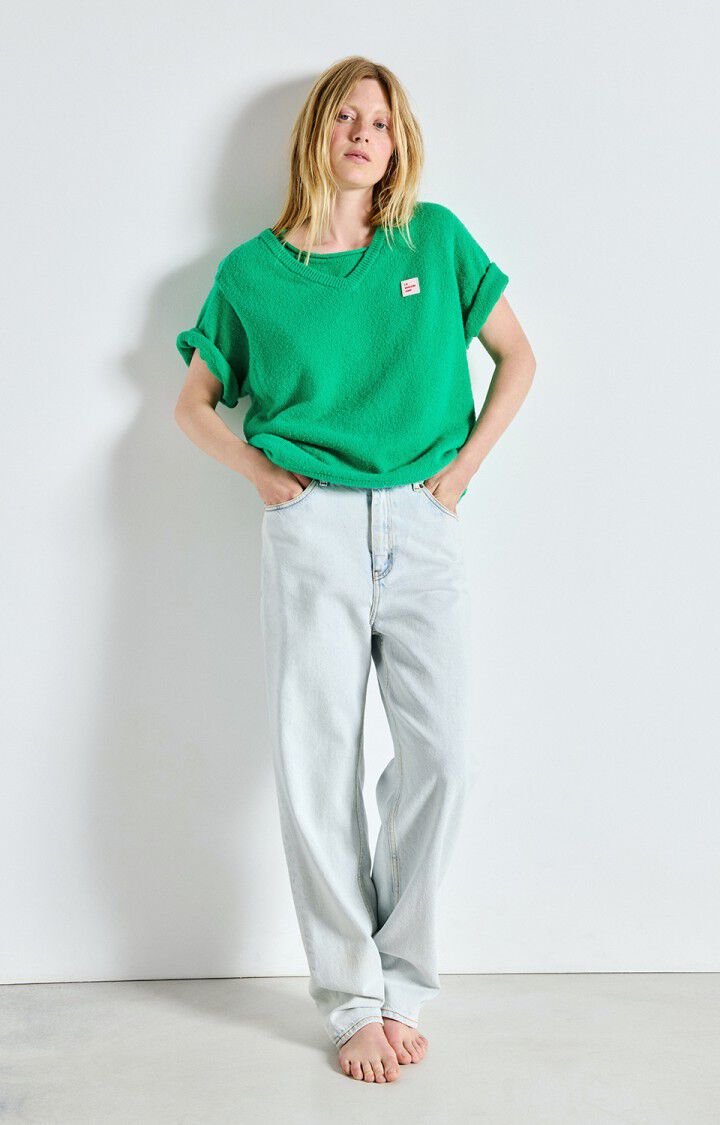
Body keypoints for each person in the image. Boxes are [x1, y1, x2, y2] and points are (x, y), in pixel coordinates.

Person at [174, 55, 536, 1084]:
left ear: (397, 140)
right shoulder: (252, 274)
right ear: (317, 135)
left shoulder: (434, 240)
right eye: (345, 115)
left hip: (423, 518)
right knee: (317, 763)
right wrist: (261, 476)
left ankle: (403, 980)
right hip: (311, 527)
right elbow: (192, 404)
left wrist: (461, 474)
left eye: (379, 118)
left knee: (443, 757)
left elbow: (518, 357)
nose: (363, 132)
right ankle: (350, 999)